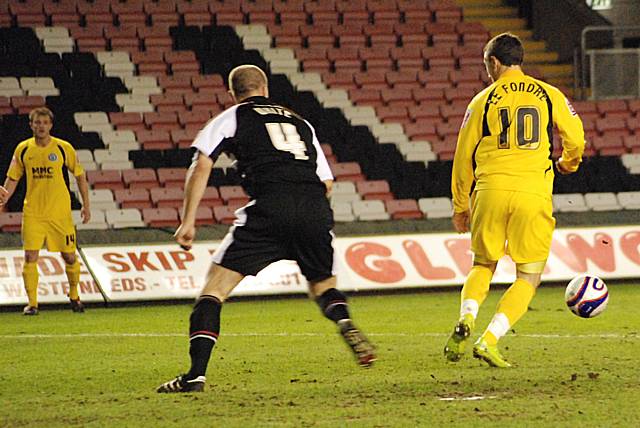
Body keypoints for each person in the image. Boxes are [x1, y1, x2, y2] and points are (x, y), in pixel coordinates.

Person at [157, 65, 376, 393]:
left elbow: (202, 163)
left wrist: (187, 221)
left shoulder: (231, 117)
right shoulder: (300, 122)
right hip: (314, 206)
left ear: (232, 93)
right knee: (322, 286)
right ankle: (343, 320)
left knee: (213, 291)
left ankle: (195, 376)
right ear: (265, 88)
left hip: (270, 206)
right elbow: (327, 181)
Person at [444, 33, 585, 367]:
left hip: (491, 189)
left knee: (482, 265)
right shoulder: (550, 94)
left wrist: (460, 205)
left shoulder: (482, 100)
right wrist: (567, 163)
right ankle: (489, 340)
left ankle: (467, 316)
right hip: (533, 192)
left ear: (494, 63)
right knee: (528, 276)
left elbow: (463, 156)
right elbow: (576, 138)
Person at [0, 107, 91, 315]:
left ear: (51, 125)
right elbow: (13, 178)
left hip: (60, 213)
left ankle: (75, 296)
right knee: (30, 256)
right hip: (33, 213)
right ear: (31, 125)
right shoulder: (23, 149)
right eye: (37, 122)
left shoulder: (62, 148)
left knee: (69, 256)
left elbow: (80, 176)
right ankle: (32, 303)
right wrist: (3, 197)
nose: (41, 126)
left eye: (44, 123)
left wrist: (86, 205)